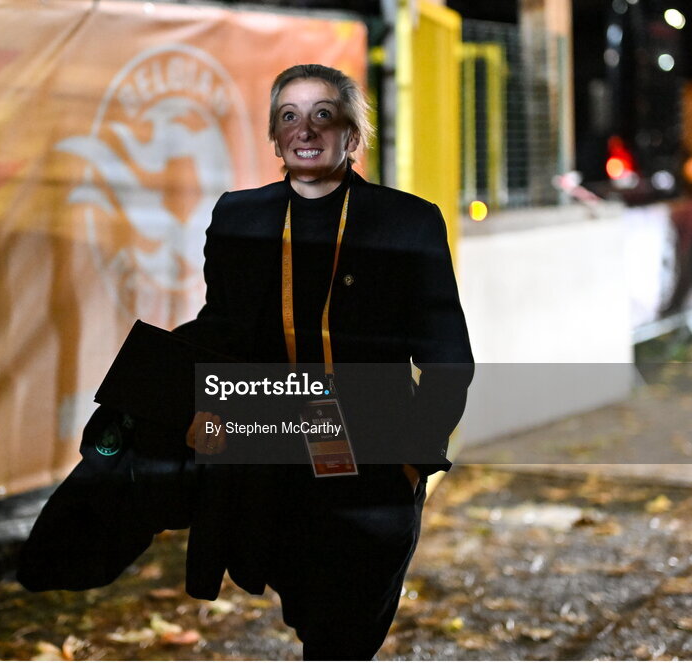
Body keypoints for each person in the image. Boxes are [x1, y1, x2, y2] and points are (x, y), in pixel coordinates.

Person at [174, 64, 473, 660]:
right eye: (289, 116)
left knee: (347, 629)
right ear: (275, 137)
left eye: (323, 115)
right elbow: (221, 332)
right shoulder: (239, 217)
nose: (305, 130)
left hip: (373, 460)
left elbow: (447, 357)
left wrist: (412, 464)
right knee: (314, 617)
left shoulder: (408, 221)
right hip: (275, 455)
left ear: (352, 137)